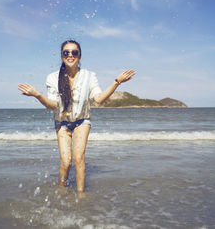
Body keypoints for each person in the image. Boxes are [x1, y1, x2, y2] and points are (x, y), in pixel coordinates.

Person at [18, 40, 135, 193]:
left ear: (79, 56)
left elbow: (99, 99)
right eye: (66, 52)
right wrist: (38, 95)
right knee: (66, 162)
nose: (70, 55)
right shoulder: (52, 78)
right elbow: (53, 105)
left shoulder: (89, 75)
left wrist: (117, 82)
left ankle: (81, 197)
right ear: (62, 56)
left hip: (82, 121)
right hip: (62, 122)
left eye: (74, 52)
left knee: (79, 158)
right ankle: (62, 192)